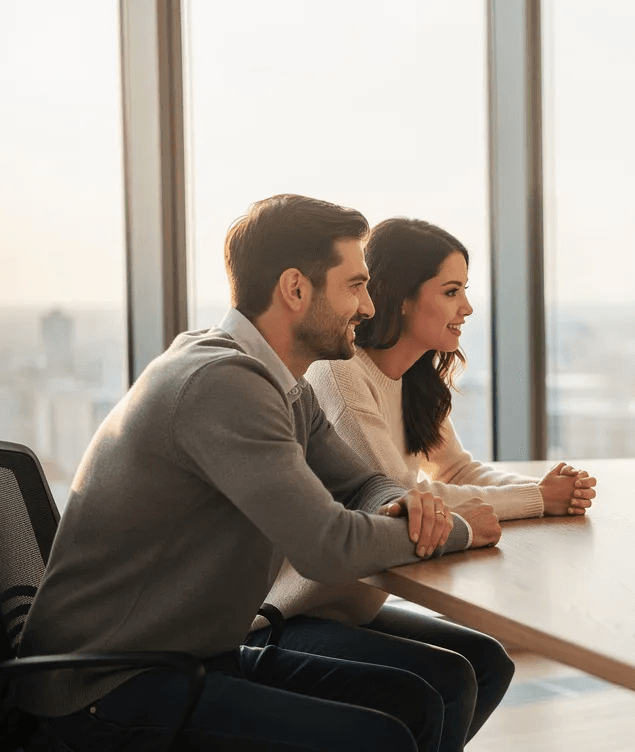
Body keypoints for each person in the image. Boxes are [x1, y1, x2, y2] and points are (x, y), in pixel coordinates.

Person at [16, 194, 501, 752]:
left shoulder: (284, 386)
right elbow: (328, 546)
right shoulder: (222, 384)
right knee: (377, 737)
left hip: (190, 659)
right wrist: (457, 530)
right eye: (354, 286)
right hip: (110, 688)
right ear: (295, 289)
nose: (368, 308)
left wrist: (407, 503)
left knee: (421, 698)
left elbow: (362, 484)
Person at [248, 218, 597, 742]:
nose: (467, 308)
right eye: (451, 291)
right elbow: (403, 496)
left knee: (487, 662)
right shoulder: (342, 376)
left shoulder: (415, 378)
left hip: (351, 604)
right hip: (293, 613)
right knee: (449, 678)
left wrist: (548, 491)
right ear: (402, 298)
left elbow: (455, 470)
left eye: (465, 291)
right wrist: (535, 499)